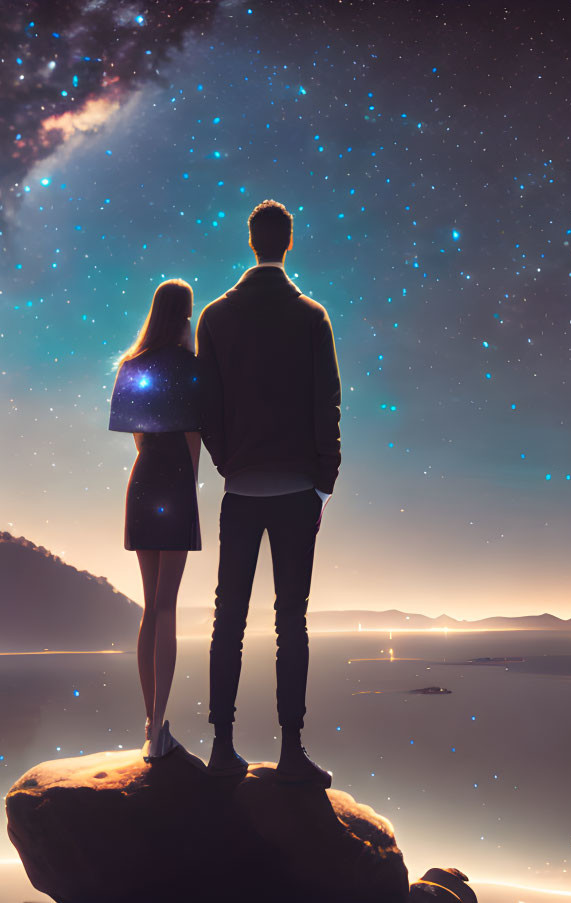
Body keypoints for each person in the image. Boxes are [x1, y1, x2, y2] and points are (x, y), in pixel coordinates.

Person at [196, 199, 341, 786]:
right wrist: (323, 481)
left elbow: (207, 404)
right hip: (297, 489)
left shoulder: (215, 316)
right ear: (289, 243)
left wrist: (228, 460)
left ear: (251, 241)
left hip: (242, 487)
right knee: (292, 621)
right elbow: (326, 402)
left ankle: (222, 747)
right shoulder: (311, 315)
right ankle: (291, 751)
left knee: (227, 617)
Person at [109, 279, 202, 761]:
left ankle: (149, 721)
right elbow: (193, 440)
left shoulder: (131, 367)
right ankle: (157, 731)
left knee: (151, 607)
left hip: (143, 482)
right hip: (176, 485)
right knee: (167, 606)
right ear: (187, 315)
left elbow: (140, 439)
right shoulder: (192, 369)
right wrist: (188, 488)